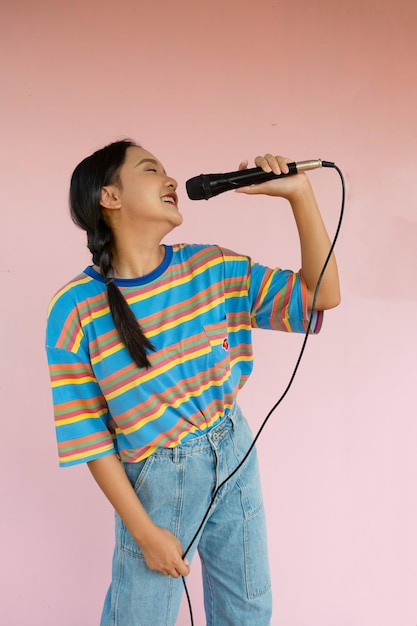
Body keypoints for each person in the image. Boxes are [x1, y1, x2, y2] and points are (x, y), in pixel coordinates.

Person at [45, 139, 340, 626]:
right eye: (150, 170)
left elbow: (321, 295)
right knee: (138, 617)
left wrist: (299, 194)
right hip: (157, 482)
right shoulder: (75, 309)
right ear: (109, 196)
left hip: (235, 453)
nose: (172, 180)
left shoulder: (212, 268)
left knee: (247, 612)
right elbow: (88, 437)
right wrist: (144, 533)